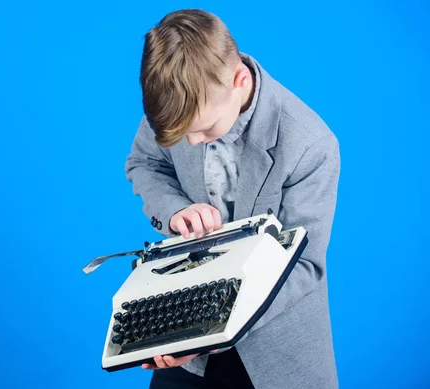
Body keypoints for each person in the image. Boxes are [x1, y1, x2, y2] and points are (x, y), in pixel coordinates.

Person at [124, 8, 341, 389]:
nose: (190, 142)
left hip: (276, 355)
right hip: (186, 344)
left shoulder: (311, 144)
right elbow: (144, 163)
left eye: (204, 128)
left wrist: (213, 327)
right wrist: (176, 212)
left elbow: (305, 265)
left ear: (239, 81)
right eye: (181, 134)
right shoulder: (179, 101)